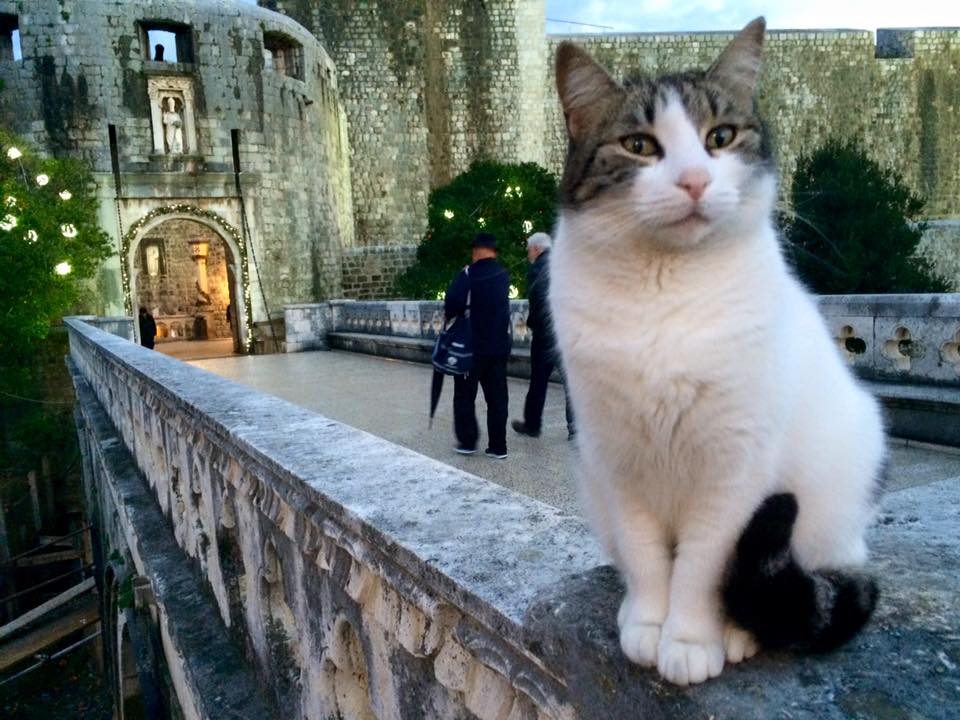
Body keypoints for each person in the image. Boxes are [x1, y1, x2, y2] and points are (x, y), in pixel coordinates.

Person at [444, 232, 512, 459]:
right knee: (498, 399)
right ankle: (498, 446)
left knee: (464, 396)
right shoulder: (503, 275)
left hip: (470, 349)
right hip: (498, 347)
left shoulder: (467, 275)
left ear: (477, 251)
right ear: (493, 251)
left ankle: (467, 441)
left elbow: (451, 304)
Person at [512, 232, 575, 440]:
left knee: (538, 382)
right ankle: (574, 428)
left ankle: (532, 425)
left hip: (545, 335)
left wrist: (535, 324)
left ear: (537, 249)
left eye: (529, 250)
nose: (528, 254)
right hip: (565, 333)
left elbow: (539, 299)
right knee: (570, 382)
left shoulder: (538, 268)